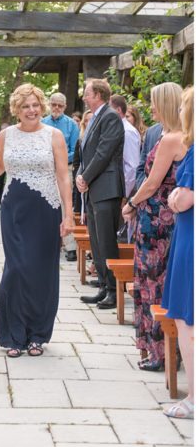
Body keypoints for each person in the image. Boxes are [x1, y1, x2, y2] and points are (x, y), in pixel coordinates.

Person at [0, 84, 74, 357]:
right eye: (25, 106)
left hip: (46, 209)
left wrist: (68, 215)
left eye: (35, 105)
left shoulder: (54, 135)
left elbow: (62, 175)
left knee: (42, 271)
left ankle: (37, 335)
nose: (31, 110)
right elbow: (0, 166)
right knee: (16, 269)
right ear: (17, 109)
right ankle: (14, 334)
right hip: (14, 210)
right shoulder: (6, 135)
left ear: (42, 107)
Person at [122, 82, 185, 372]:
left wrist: (131, 204)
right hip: (166, 218)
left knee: (152, 285)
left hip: (157, 219)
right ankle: (170, 350)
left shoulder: (171, 138)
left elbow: (151, 182)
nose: (151, 107)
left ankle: (160, 352)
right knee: (160, 283)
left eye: (154, 102)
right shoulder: (177, 136)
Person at [77, 78, 125, 311]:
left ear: (97, 94)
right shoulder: (95, 118)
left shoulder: (111, 117)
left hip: (106, 188)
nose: (84, 97)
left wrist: (85, 176)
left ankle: (114, 290)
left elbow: (104, 152)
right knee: (96, 241)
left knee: (107, 241)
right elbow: (86, 153)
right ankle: (104, 287)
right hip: (94, 188)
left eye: (87, 93)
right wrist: (80, 174)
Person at [162, 86, 194, 418]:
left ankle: (193, 398)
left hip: (190, 239)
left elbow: (182, 199)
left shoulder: (194, 150)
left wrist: (176, 198)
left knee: (188, 322)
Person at [43, 92, 81, 262]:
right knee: (45, 205)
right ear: (49, 104)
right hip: (44, 170)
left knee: (66, 205)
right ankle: (48, 242)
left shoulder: (71, 125)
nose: (56, 108)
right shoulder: (42, 123)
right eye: (53, 104)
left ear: (65, 107)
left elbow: (75, 149)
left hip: (65, 169)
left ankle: (70, 246)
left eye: (60, 105)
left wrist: (59, 158)